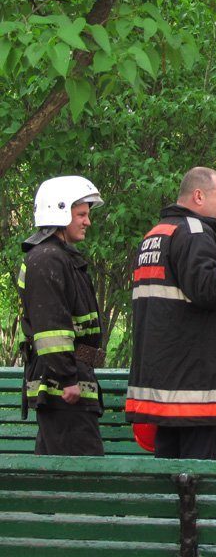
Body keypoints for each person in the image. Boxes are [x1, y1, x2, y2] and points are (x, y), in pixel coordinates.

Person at [125, 167, 216, 490]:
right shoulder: (194, 233)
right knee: (203, 488)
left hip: (170, 390)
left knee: (171, 488)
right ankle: (200, 541)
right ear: (198, 196)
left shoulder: (158, 233)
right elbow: (210, 290)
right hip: (200, 392)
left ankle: (170, 541)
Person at [17, 176, 106, 456]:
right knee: (83, 479)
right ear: (58, 211)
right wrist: (68, 379)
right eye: (80, 214)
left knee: (59, 479)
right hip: (63, 391)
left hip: (68, 387)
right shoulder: (47, 259)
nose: (87, 222)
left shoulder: (59, 257)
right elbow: (51, 331)